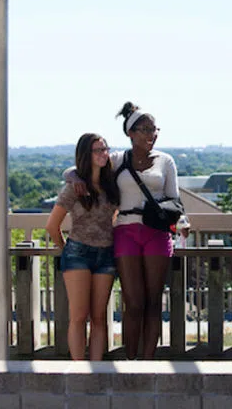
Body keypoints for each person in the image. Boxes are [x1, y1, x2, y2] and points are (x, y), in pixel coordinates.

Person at [67, 102, 180, 360]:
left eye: (154, 130)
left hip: (157, 232)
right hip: (125, 231)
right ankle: (131, 360)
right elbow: (80, 169)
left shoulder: (166, 161)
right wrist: (74, 179)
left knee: (153, 302)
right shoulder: (118, 159)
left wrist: (179, 223)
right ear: (131, 133)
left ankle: (148, 360)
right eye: (145, 129)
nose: (151, 134)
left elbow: (175, 198)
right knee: (133, 301)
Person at [45, 133, 120, 360]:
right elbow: (52, 226)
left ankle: (95, 371)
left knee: (99, 318)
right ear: (86, 154)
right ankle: (78, 372)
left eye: (105, 149)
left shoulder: (111, 185)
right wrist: (66, 248)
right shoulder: (74, 188)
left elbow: (113, 218)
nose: (103, 154)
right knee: (78, 316)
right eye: (97, 150)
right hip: (78, 253)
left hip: (106, 254)